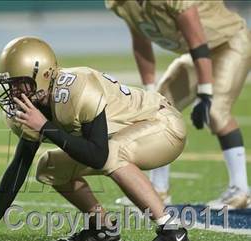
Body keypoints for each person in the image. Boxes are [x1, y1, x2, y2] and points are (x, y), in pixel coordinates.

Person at [0, 36, 193, 241]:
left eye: (20, 83)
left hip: (162, 126)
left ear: (45, 75)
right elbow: (19, 166)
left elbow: (98, 155)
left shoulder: (77, 88)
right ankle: (102, 229)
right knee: (49, 167)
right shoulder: (33, 106)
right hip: (123, 136)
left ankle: (173, 233)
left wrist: (45, 127)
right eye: (11, 85)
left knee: (113, 152)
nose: (15, 93)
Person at [105, 0, 251, 209]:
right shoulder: (122, 3)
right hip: (197, 53)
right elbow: (141, 43)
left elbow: (197, 40)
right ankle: (158, 188)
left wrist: (205, 93)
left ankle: (241, 190)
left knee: (216, 112)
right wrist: (149, 90)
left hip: (230, 43)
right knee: (158, 109)